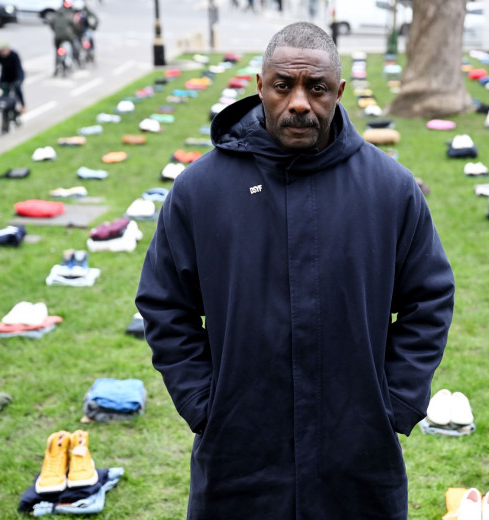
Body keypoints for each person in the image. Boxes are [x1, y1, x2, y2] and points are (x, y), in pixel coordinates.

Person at [136, 21, 455, 520]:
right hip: (238, 459)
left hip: (358, 460)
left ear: (339, 92)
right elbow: (164, 303)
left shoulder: (390, 190)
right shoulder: (200, 190)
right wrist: (205, 403)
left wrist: (393, 402)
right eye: (284, 85)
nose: (300, 102)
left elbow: (429, 297)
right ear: (261, 87)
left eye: (317, 87)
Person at [0, 41, 25, 113]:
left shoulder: (14, 55)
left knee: (18, 90)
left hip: (15, 76)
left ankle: (23, 106)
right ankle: (5, 115)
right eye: (1, 51)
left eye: (4, 50)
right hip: (5, 76)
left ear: (8, 49)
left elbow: (19, 69)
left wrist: (19, 80)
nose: (3, 53)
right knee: (4, 93)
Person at [49, 1, 78, 73]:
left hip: (57, 37)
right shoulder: (69, 14)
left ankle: (56, 68)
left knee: (57, 50)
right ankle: (71, 63)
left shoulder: (56, 13)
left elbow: (51, 23)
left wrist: (55, 30)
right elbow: (74, 25)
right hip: (67, 37)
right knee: (72, 47)